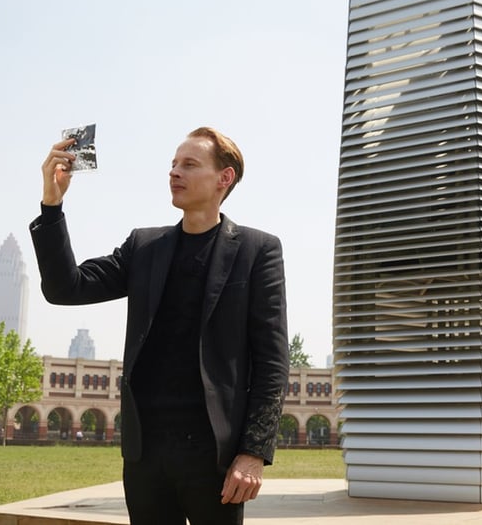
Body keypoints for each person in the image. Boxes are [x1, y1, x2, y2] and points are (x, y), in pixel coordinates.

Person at [29, 127, 289, 524]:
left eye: (189, 164)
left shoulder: (258, 251)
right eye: (172, 164)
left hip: (214, 458)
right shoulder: (144, 247)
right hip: (145, 455)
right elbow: (66, 288)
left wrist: (253, 453)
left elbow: (273, 362)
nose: (174, 172)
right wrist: (52, 205)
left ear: (225, 178)